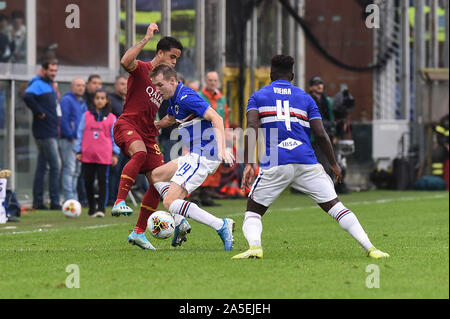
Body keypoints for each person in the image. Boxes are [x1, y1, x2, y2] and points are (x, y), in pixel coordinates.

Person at [232, 55, 389, 259]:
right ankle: (371, 248)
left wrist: (249, 164)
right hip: (307, 161)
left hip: (277, 162)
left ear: (271, 75)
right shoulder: (305, 98)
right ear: (293, 75)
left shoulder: (257, 97)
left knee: (253, 211)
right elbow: (322, 133)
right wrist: (333, 164)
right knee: (336, 207)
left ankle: (255, 247)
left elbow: (252, 128)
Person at [112, 23, 190, 250]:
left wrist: (162, 122)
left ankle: (138, 233)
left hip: (148, 133)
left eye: (177, 58)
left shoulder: (163, 83)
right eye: (172, 56)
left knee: (159, 181)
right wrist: (145, 38)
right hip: (127, 125)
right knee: (140, 153)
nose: (175, 61)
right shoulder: (143, 68)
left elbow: (169, 113)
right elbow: (125, 62)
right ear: (160, 53)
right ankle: (119, 201)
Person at [149, 64, 236, 251]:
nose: (157, 90)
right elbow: (170, 119)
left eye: (159, 85)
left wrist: (222, 150)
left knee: (169, 202)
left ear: (172, 81)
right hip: (194, 155)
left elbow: (217, 118)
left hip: (205, 155)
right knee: (156, 175)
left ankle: (221, 225)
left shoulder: (187, 97)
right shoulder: (174, 98)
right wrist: (153, 126)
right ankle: (180, 222)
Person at [23, 59, 62, 210]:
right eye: (51, 70)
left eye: (55, 71)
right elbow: (27, 96)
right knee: (55, 165)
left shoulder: (49, 85)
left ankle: (38, 201)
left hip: (50, 131)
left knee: (42, 167)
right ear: (43, 70)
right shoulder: (38, 83)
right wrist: (39, 112)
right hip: (44, 133)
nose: (53, 73)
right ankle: (54, 201)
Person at [76, 89, 120, 217]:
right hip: (87, 154)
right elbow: (80, 133)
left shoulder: (112, 118)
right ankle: (91, 208)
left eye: (102, 98)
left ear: (106, 100)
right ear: (93, 100)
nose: (100, 101)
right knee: (88, 182)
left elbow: (115, 137)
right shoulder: (86, 116)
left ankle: (101, 208)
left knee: (102, 182)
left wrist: (115, 153)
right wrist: (78, 150)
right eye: (97, 98)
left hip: (104, 155)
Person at [196, 71, 230, 206]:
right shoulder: (199, 96)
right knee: (200, 163)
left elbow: (225, 117)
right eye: (210, 80)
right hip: (203, 135)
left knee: (215, 166)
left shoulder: (222, 99)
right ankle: (195, 195)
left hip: (218, 136)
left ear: (218, 82)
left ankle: (207, 195)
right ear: (206, 81)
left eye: (215, 80)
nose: (212, 83)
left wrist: (226, 133)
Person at [59, 78, 87, 202]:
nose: (81, 88)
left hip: (80, 142)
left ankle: (74, 197)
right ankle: (69, 197)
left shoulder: (82, 102)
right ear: (72, 87)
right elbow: (63, 120)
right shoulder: (66, 100)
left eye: (82, 85)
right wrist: (70, 136)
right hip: (69, 140)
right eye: (78, 85)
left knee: (76, 171)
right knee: (69, 169)